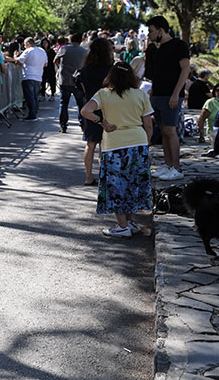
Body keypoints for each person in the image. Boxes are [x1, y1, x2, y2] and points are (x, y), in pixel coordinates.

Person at [80, 62, 154, 237]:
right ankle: (129, 221)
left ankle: (122, 226)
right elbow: (148, 124)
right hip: (137, 141)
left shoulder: (104, 94)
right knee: (133, 184)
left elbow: (85, 111)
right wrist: (146, 142)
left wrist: (101, 122)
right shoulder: (140, 94)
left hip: (114, 144)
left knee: (116, 185)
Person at [147, 16, 191, 181]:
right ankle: (168, 165)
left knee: (170, 131)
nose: (149, 34)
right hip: (158, 95)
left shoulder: (179, 45)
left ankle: (177, 167)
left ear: (160, 30)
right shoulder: (157, 49)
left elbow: (185, 70)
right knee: (163, 131)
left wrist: (175, 93)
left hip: (171, 96)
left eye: (151, 31)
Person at [77, 38, 114, 186]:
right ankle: (103, 176)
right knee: (104, 145)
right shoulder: (111, 69)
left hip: (90, 107)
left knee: (90, 144)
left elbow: (83, 88)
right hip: (108, 107)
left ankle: (88, 177)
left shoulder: (85, 69)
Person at [54, 33, 88, 133]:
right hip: (78, 81)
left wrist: (60, 67)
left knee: (63, 104)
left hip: (65, 79)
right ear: (81, 41)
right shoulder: (84, 51)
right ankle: (82, 124)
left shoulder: (64, 49)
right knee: (81, 104)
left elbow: (55, 60)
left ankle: (63, 126)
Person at [15, 37, 48, 121]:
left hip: (28, 75)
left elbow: (19, 61)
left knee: (29, 97)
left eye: (25, 45)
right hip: (38, 76)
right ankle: (34, 113)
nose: (24, 47)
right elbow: (45, 64)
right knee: (35, 96)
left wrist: (15, 56)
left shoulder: (28, 51)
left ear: (28, 44)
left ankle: (32, 115)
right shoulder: (42, 51)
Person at [198, 84, 219, 156]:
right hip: (215, 133)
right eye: (218, 90)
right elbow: (201, 119)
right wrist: (201, 135)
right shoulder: (211, 103)